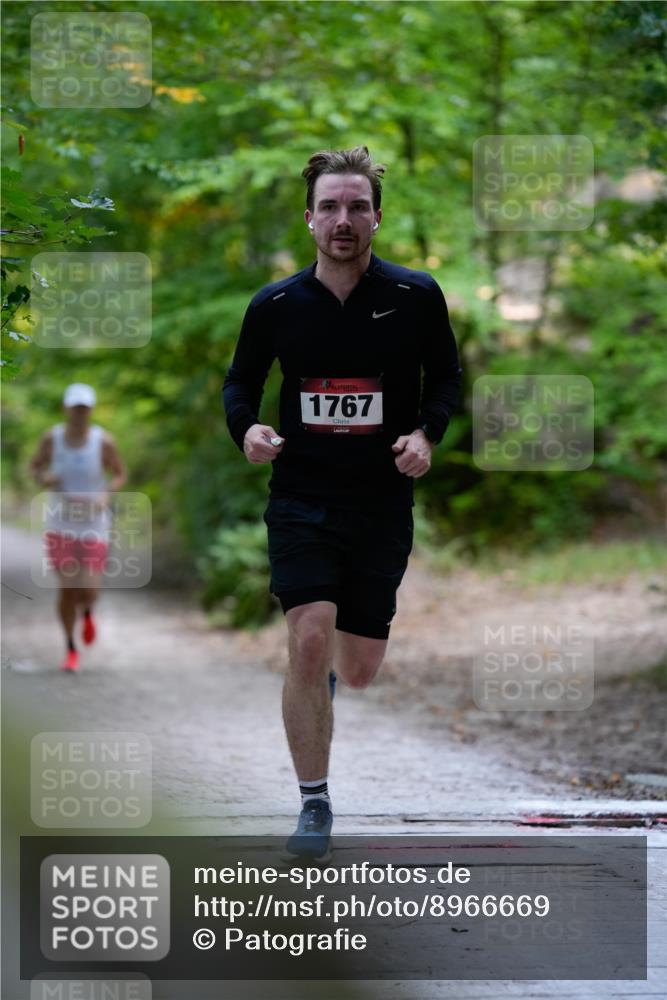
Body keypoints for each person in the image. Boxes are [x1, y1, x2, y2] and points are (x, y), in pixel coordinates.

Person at [223, 145, 462, 861]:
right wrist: (249, 430)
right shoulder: (274, 304)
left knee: (355, 669)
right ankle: (314, 801)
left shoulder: (416, 295)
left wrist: (425, 434)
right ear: (308, 219)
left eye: (357, 206)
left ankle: (323, 674)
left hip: (379, 503)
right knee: (306, 632)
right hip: (301, 496)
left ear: (377, 218)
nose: (343, 219)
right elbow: (240, 384)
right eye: (329, 206)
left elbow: (444, 380)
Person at [29, 383, 127, 672]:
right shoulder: (52, 438)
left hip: (94, 525)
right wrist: (44, 477)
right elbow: (34, 467)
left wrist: (105, 495)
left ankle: (88, 613)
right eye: (75, 407)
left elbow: (120, 473)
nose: (79, 413)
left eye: (84, 408)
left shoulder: (103, 441)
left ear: (91, 410)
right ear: (66, 408)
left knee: (88, 590)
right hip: (60, 524)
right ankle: (70, 648)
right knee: (68, 588)